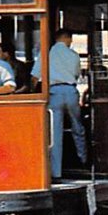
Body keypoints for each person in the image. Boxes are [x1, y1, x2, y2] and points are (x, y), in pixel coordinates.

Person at [32, 29, 87, 179]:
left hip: (54, 93)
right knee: (77, 126)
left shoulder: (46, 53)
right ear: (67, 39)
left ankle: (56, 172)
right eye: (70, 40)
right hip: (70, 92)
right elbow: (76, 74)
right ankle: (83, 160)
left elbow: (35, 76)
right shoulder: (74, 55)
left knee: (55, 133)